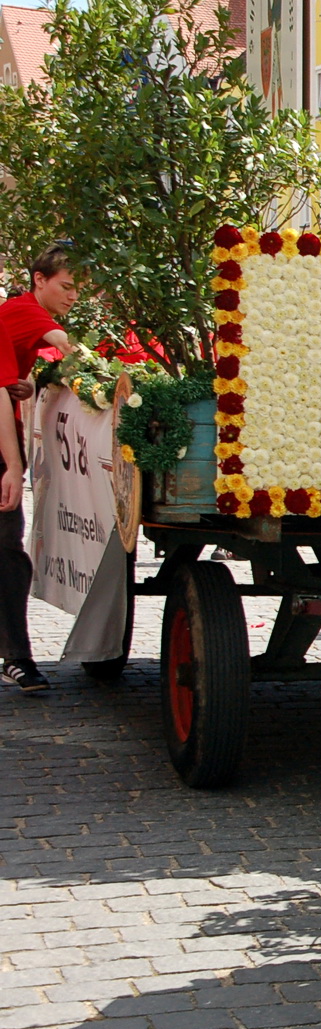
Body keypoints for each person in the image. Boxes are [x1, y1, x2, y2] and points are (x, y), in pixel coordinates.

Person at [0, 245, 80, 694]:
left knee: (6, 548)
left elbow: (8, 385)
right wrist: (13, 465)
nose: (71, 297)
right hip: (2, 445)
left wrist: (25, 383)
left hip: (4, 438)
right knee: (7, 549)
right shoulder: (23, 311)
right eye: (65, 287)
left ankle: (17, 656)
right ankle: (17, 657)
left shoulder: (12, 314)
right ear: (38, 280)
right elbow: (66, 347)